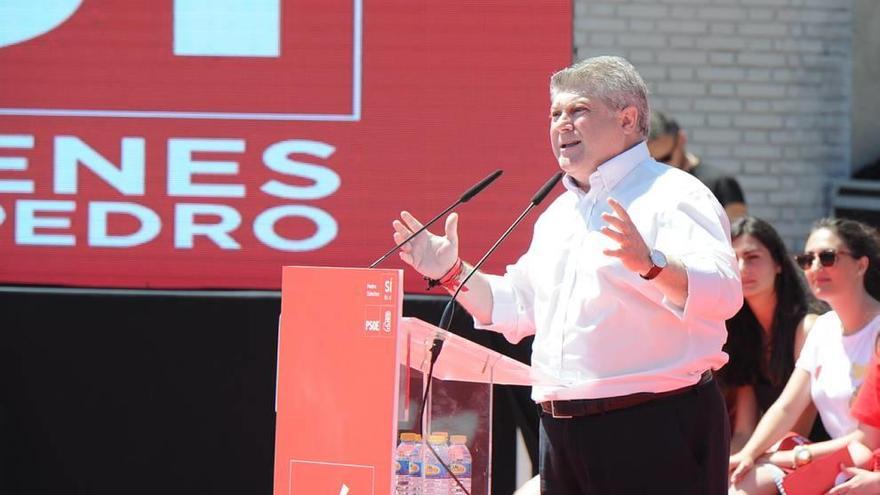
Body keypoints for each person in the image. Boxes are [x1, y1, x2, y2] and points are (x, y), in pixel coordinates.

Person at [392, 55, 743, 493]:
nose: (562, 124)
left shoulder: (674, 194)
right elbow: (517, 309)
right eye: (555, 114)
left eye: (578, 110)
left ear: (628, 118)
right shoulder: (558, 214)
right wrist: (450, 271)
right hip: (562, 433)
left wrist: (650, 264)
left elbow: (725, 293)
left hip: (651, 426)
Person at [728, 218, 880, 495]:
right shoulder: (823, 329)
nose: (816, 267)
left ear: (861, 264)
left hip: (865, 467)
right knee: (738, 487)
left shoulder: (875, 331)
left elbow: (865, 441)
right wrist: (749, 454)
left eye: (828, 257)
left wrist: (785, 456)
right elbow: (787, 406)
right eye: (807, 259)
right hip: (837, 462)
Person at [720, 216, 822, 454]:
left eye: (752, 257)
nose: (742, 269)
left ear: (779, 264)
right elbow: (744, 433)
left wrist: (749, 460)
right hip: (768, 457)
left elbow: (799, 429)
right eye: (733, 260)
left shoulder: (807, 328)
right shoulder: (741, 335)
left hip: (814, 456)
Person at [647, 111, 748, 222]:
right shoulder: (648, 186)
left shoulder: (722, 183)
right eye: (652, 161)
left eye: (666, 158)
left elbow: (737, 234)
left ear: (681, 139)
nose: (660, 166)